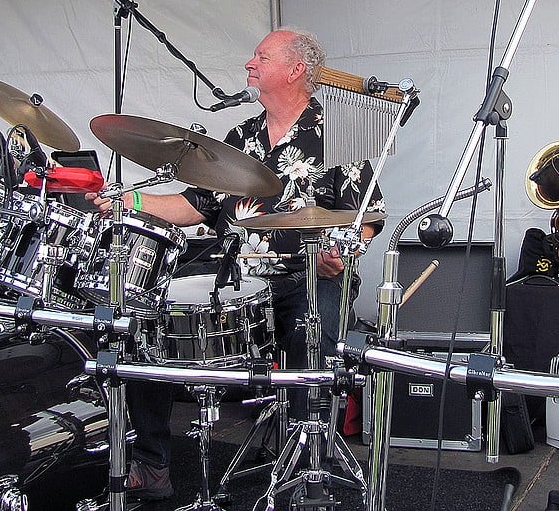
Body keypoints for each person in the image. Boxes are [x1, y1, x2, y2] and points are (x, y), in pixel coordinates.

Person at [89, 28, 384, 500]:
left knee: (317, 335)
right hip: (234, 272)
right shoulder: (240, 137)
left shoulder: (337, 136)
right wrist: (129, 199)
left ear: (294, 70)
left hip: (304, 275)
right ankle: (153, 463)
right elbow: (195, 205)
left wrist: (341, 255)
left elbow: (368, 216)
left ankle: (309, 462)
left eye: (261, 57)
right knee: (144, 317)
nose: (249, 64)